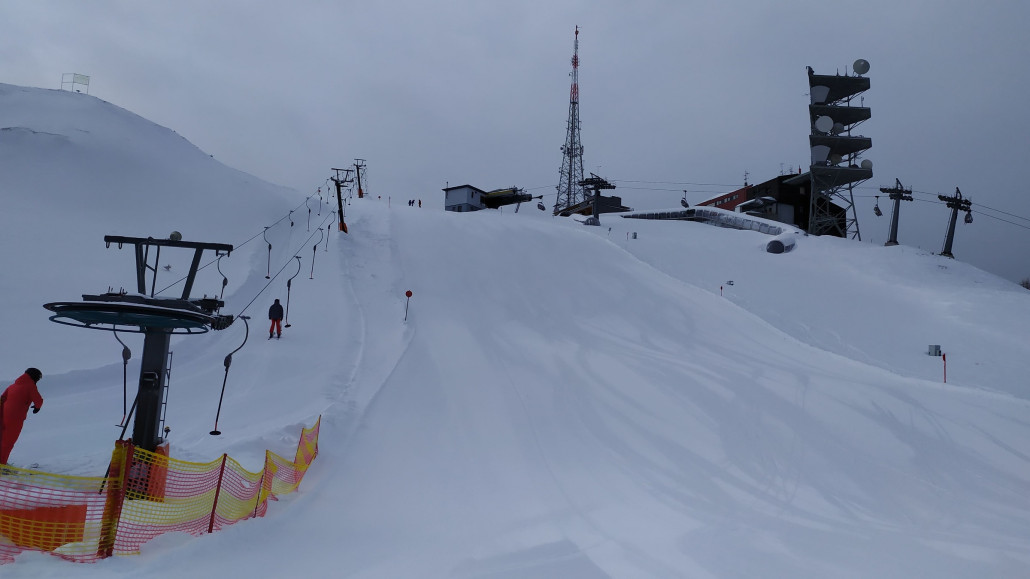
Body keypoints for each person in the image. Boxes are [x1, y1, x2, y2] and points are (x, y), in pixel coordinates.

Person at [1, 368, 44, 465]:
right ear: (34, 377)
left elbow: (2, 398)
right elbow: (38, 400)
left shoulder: (12, 386)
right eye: (38, 378)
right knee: (8, 442)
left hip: (2, 414)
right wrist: (37, 408)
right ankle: (1, 465)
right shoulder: (30, 386)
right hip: (14, 419)